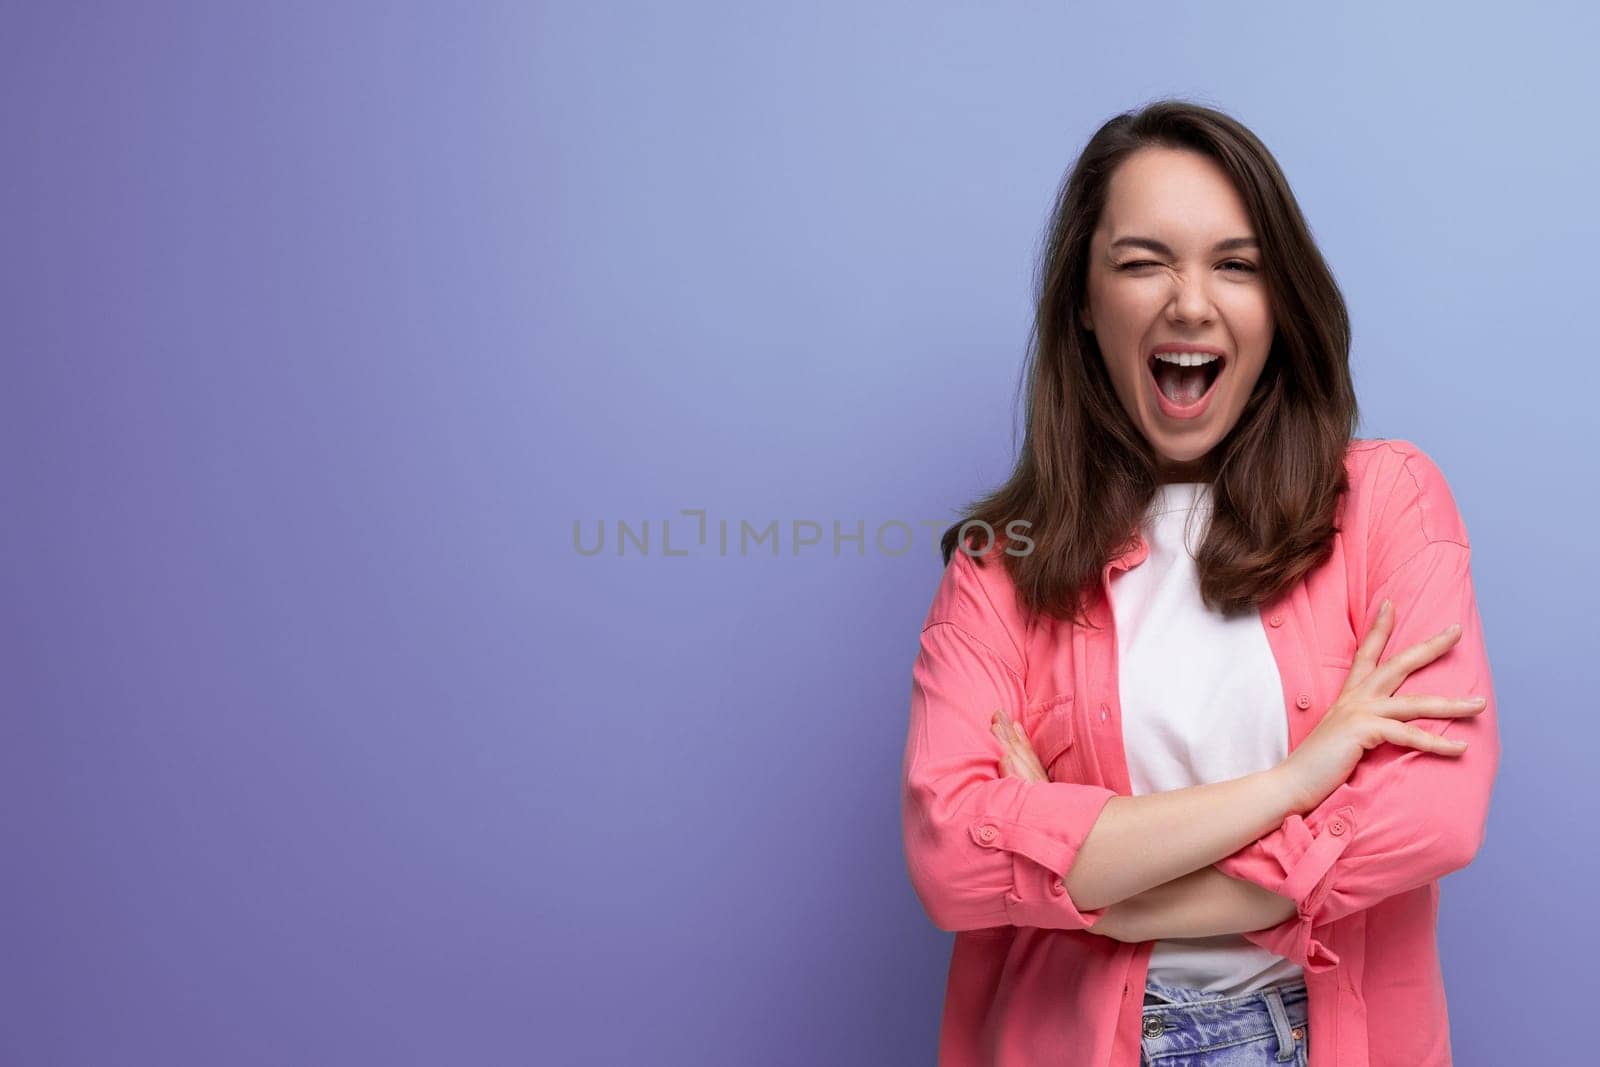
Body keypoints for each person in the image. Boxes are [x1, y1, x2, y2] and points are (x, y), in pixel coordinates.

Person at [899, 99, 1499, 1066]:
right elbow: (951, 856)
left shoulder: (1389, 501)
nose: (1190, 302)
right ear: (1084, 304)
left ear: (1280, 302)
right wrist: (1298, 783)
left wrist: (1106, 897)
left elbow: (1432, 811)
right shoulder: (999, 566)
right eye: (1143, 262)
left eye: (1236, 263)